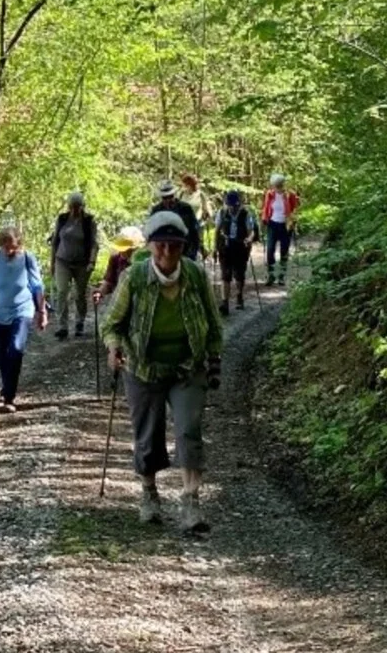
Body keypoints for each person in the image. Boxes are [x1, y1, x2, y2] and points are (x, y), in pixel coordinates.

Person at [102, 211, 223, 532]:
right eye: (161, 245)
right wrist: (114, 347)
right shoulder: (134, 278)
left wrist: (214, 360)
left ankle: (191, 502)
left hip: (188, 366)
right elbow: (111, 324)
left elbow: (214, 323)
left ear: (183, 246)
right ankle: (149, 494)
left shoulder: (195, 275)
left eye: (174, 245)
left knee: (189, 430)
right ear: (150, 246)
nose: (167, 252)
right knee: (148, 434)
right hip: (143, 367)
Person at [0, 226, 48, 413]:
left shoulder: (27, 258)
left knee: (16, 349)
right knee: (1, 355)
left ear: (19, 245)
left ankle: (9, 396)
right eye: (5, 247)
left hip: (22, 311)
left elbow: (38, 287)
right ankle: (6, 386)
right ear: (0, 244)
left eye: (13, 247)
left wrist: (42, 312)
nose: (9, 250)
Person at [49, 191, 99, 340]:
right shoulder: (62, 219)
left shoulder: (89, 221)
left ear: (82, 206)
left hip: (82, 264)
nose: (75, 209)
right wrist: (52, 263)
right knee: (62, 292)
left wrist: (92, 262)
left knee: (79, 294)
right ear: (68, 206)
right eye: (72, 206)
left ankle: (79, 323)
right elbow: (55, 242)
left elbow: (94, 244)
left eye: (78, 206)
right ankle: (62, 327)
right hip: (62, 260)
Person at [214, 190, 258, 315]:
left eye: (235, 205)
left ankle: (239, 296)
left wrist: (249, 239)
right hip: (225, 247)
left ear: (239, 204)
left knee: (239, 274)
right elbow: (217, 231)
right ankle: (225, 303)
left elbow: (251, 231)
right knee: (225, 275)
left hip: (240, 247)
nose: (232, 208)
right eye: (230, 205)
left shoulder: (246, 214)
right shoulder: (222, 213)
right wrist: (214, 248)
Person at [261, 173, 300, 286]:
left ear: (282, 184)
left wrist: (293, 221)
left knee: (284, 251)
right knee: (270, 251)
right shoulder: (270, 194)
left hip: (285, 226)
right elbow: (266, 208)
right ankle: (271, 275)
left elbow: (295, 209)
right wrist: (264, 220)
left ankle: (282, 276)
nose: (277, 187)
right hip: (272, 224)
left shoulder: (290, 195)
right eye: (275, 185)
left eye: (279, 185)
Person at [150, 178, 202, 261]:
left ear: (174, 195)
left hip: (185, 250)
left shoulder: (185, 208)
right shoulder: (156, 211)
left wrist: (196, 248)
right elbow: (151, 232)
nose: (168, 200)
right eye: (165, 198)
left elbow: (194, 230)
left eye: (170, 197)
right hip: (164, 252)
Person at [92, 225, 144, 304]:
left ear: (135, 248)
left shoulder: (145, 261)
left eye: (127, 250)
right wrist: (100, 292)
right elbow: (109, 281)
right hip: (119, 300)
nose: (122, 252)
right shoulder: (115, 258)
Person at [182, 175, 214, 258]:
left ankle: (198, 257)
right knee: (185, 243)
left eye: (185, 185)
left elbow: (206, 208)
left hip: (197, 222)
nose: (184, 187)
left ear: (190, 185)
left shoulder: (200, 195)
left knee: (197, 242)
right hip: (184, 223)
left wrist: (207, 215)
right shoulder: (181, 194)